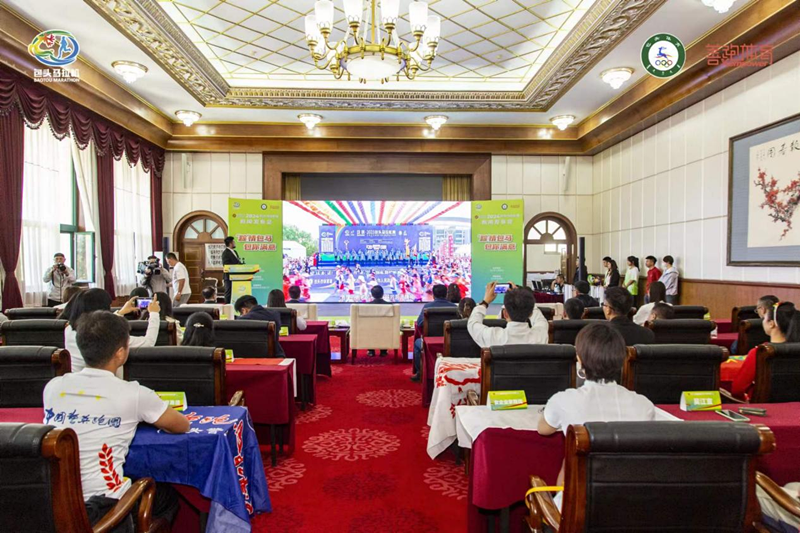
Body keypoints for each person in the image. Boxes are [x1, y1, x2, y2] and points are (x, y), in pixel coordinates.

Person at [43, 310, 189, 529]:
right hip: (105, 513)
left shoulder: (53, 387)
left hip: (53, 508)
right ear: (120, 353)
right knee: (166, 496)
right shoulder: (134, 394)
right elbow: (181, 425)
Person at [538, 322, 656, 504]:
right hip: (629, 506)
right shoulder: (644, 405)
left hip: (577, 508)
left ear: (579, 359)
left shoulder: (563, 400)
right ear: (622, 359)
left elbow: (543, 429)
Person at [65, 289, 162, 376]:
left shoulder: (68, 329)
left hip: (77, 381)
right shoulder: (109, 334)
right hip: (108, 383)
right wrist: (154, 313)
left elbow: (99, 323)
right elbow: (148, 342)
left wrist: (121, 312)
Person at [731, 301, 800, 400]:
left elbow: (737, 390)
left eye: (764, 319)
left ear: (771, 324)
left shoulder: (760, 352)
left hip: (764, 407)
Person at [467, 281, 548, 348]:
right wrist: (522, 296)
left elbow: (472, 323)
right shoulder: (540, 336)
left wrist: (485, 302)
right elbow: (539, 318)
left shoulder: (493, 337)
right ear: (530, 313)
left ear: (505, 314)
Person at [410, 284, 457, 382]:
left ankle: (420, 373)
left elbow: (420, 323)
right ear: (446, 294)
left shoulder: (427, 307)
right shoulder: (454, 307)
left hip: (429, 342)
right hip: (451, 341)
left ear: (433, 295)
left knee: (417, 343)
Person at [368, 285, 390, 357]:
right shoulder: (390, 306)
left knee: (370, 329)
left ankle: (371, 351)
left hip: (370, 332)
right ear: (383, 294)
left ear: (372, 295)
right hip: (386, 332)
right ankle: (383, 351)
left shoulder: (366, 306)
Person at [221, 236, 242, 304]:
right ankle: (227, 306)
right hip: (229, 276)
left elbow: (237, 262)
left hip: (237, 276)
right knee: (228, 292)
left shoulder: (235, 252)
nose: (235, 243)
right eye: (234, 242)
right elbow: (226, 265)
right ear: (230, 243)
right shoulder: (225, 253)